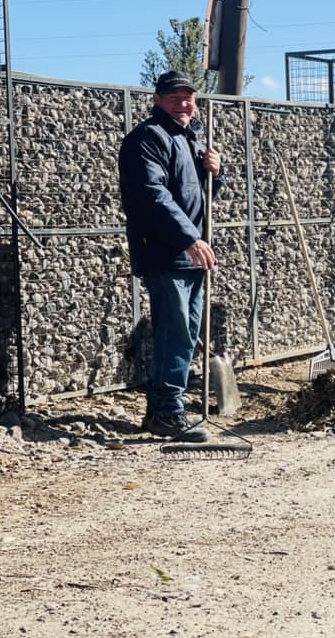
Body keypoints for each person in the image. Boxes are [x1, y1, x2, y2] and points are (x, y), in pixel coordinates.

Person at [118, 70, 225, 440]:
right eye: (174, 98)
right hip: (168, 252)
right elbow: (153, 196)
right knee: (175, 332)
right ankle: (167, 413)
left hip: (190, 253)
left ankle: (164, 408)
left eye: (188, 98)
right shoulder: (148, 139)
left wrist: (217, 171)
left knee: (186, 331)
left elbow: (200, 195)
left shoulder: (191, 138)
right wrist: (188, 239)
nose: (183, 104)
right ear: (157, 100)